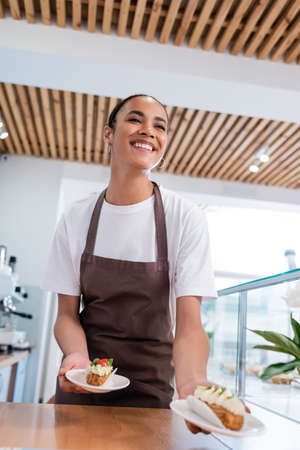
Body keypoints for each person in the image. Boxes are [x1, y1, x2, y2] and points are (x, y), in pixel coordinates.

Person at [43, 94, 217, 432]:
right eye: (136, 119)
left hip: (150, 394)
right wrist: (76, 358)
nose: (149, 131)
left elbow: (190, 325)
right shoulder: (76, 218)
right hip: (83, 384)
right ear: (109, 133)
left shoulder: (185, 218)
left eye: (160, 126)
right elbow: (66, 315)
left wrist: (192, 383)